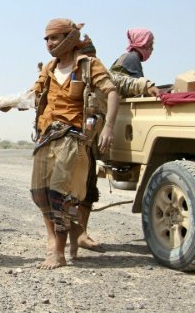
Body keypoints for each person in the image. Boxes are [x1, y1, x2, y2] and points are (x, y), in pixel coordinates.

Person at [30, 18, 119, 269]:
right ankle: (55, 240)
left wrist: (109, 127)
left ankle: (58, 251)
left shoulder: (88, 65)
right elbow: (34, 94)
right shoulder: (49, 68)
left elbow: (111, 91)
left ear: (69, 39)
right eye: (46, 39)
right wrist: (5, 103)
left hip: (73, 137)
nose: (49, 43)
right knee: (40, 193)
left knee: (61, 194)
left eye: (54, 38)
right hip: (46, 136)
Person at [73, 37, 159, 252]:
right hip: (65, 140)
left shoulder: (99, 72)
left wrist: (146, 85)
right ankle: (58, 242)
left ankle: (81, 234)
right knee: (61, 191)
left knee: (87, 188)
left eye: (91, 56)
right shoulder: (64, 74)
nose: (89, 60)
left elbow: (121, 82)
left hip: (88, 141)